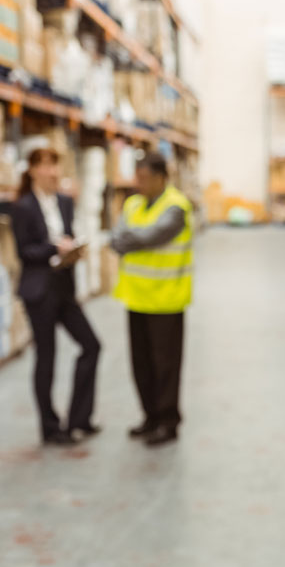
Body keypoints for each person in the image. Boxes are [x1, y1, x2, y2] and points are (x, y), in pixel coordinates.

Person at [11, 147, 102, 446]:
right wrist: (54, 248)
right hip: (39, 291)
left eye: (55, 166)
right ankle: (50, 428)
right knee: (46, 358)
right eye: (46, 166)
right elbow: (25, 252)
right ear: (33, 170)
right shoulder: (23, 207)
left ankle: (80, 419)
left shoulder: (64, 202)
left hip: (64, 287)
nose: (53, 172)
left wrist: (73, 250)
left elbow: (67, 235)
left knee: (91, 345)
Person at [111, 152, 194, 447]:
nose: (139, 184)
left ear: (161, 178)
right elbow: (116, 237)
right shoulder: (132, 203)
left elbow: (152, 237)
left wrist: (128, 239)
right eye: (137, 178)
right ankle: (150, 417)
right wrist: (128, 238)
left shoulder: (176, 207)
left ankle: (168, 422)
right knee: (141, 364)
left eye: (144, 178)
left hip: (166, 301)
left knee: (166, 366)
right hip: (136, 298)